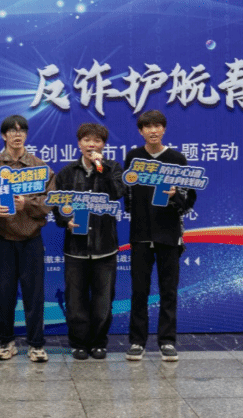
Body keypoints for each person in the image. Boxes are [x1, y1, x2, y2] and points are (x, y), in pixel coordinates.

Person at [124, 110, 196, 362]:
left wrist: (176, 195)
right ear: (140, 131)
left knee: (168, 291)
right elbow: (127, 194)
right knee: (139, 291)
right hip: (141, 235)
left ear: (164, 129)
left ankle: (167, 341)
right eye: (148, 127)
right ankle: (137, 341)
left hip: (169, 235)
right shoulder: (133, 157)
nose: (153, 131)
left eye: (157, 126)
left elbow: (189, 198)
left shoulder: (177, 159)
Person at [0, 115, 54, 363]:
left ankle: (36, 345)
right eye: (12, 131)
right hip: (3, 238)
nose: (17, 135)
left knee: (34, 294)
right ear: (4, 135)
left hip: (31, 238)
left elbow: (50, 200)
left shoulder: (39, 167)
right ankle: (6, 343)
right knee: (5, 293)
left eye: (21, 130)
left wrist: (28, 204)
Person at [53, 123, 125, 361]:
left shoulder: (113, 168)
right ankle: (79, 343)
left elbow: (118, 193)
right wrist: (66, 220)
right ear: (79, 143)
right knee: (75, 300)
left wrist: (101, 169)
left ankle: (99, 343)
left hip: (105, 247)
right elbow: (57, 206)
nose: (91, 145)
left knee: (103, 300)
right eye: (86, 140)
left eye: (97, 141)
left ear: (103, 145)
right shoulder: (66, 173)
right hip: (76, 249)